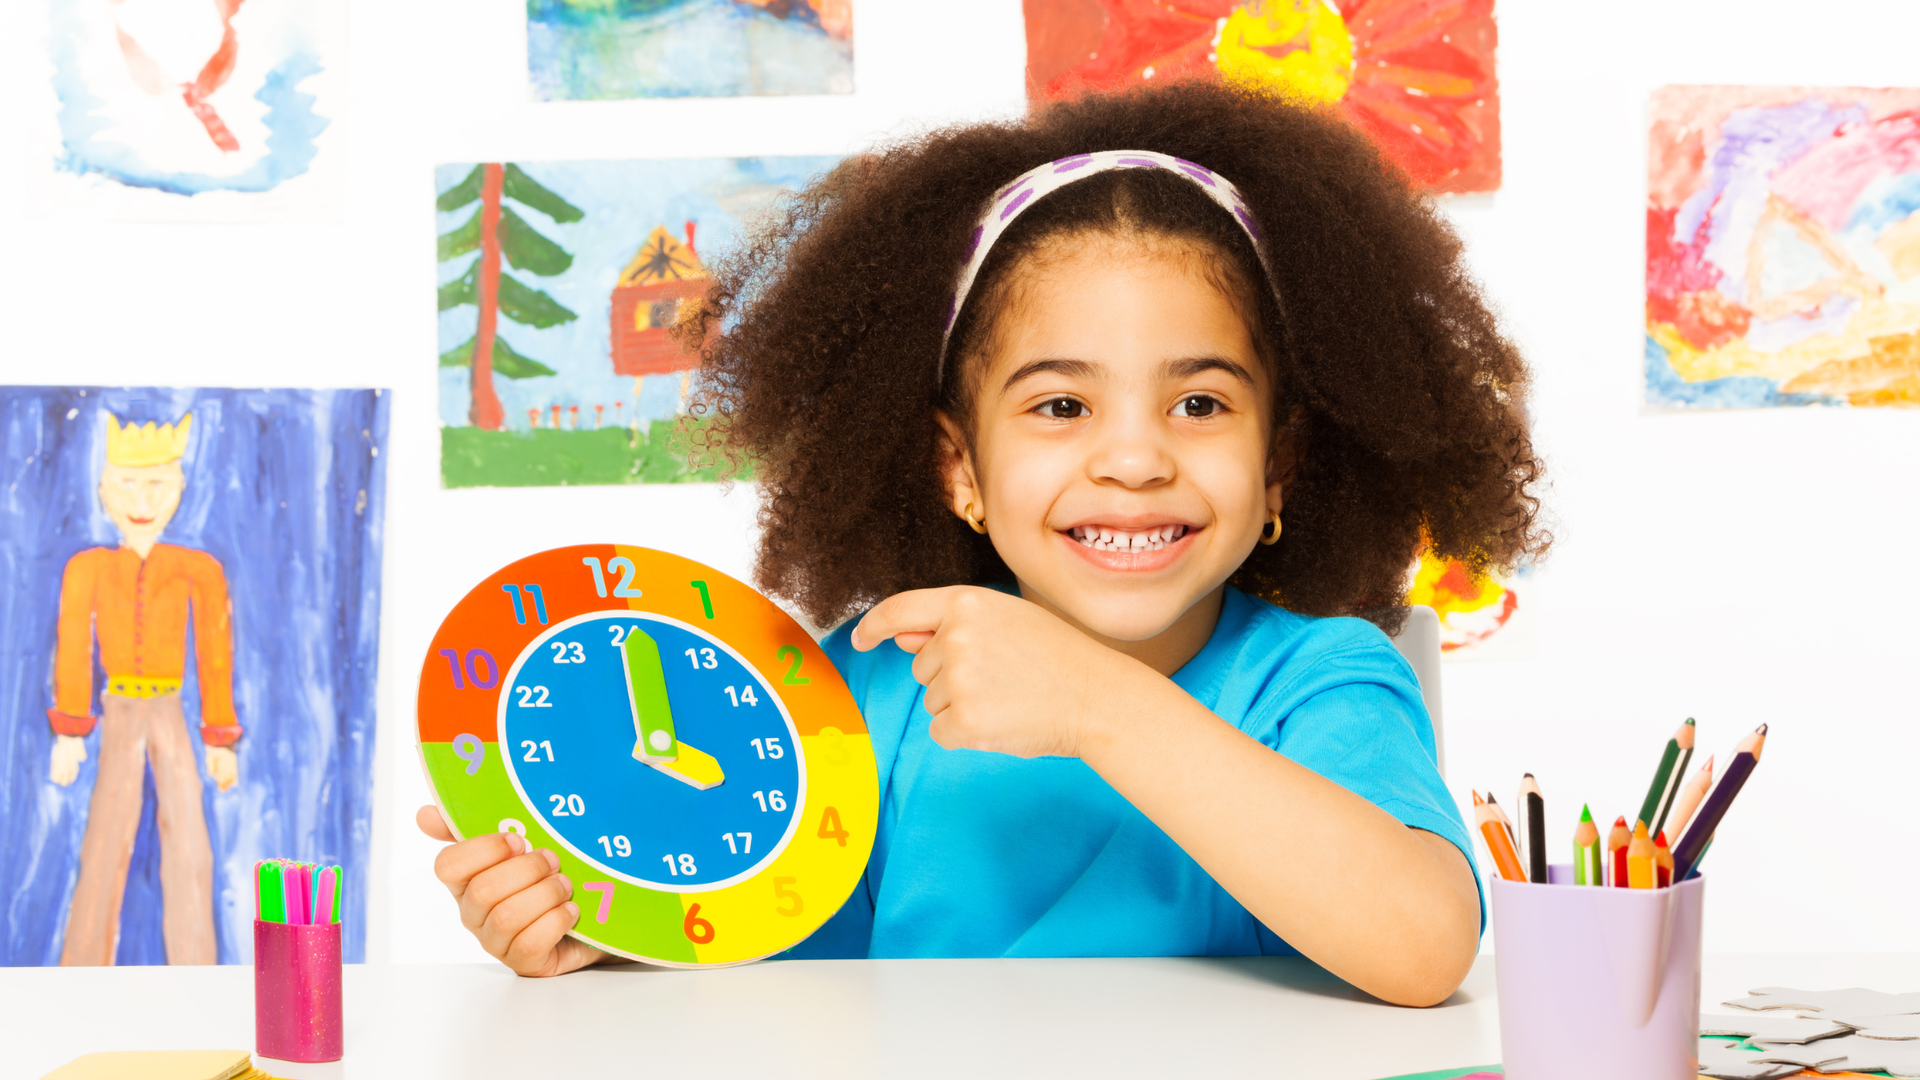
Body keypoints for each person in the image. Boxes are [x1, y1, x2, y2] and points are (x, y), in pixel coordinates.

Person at [417, 82, 1547, 1006]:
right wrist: (610, 941)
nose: (1135, 459)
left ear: (1278, 468)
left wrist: (1097, 704)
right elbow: (762, 975)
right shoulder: (863, 693)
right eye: (1061, 408)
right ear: (959, 469)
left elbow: (1424, 948)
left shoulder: (1320, 682)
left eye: (1200, 405)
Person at [49, 412, 241, 966]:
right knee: (105, 842)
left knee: (188, 843)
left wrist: (220, 739)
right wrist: (69, 729)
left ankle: (197, 971)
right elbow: (72, 648)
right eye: (127, 483)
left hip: (171, 711)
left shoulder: (197, 569)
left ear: (178, 489)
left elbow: (214, 652)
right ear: (103, 489)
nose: (141, 497)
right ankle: (79, 975)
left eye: (157, 483)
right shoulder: (86, 568)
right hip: (117, 710)